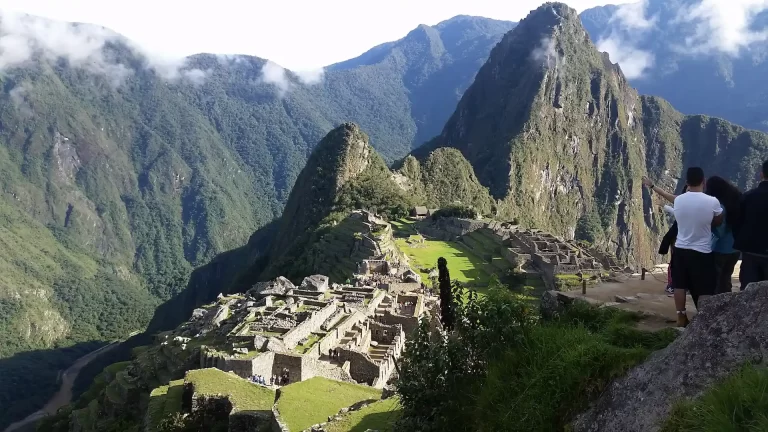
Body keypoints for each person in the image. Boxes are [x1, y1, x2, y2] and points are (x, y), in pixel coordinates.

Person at [668, 168, 723, 324]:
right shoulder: (712, 201)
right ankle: (703, 319)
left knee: (679, 284)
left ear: (687, 183)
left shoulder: (679, 200)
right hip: (702, 251)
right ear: (703, 181)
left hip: (680, 249)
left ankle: (681, 316)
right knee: (705, 287)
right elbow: (719, 219)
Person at [705, 176, 742, 294]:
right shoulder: (737, 201)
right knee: (726, 280)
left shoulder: (719, 208)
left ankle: (714, 304)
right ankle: (726, 303)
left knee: (714, 282)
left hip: (719, 249)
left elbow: (719, 231)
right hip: (735, 249)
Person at [734, 160, 768, 289]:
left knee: (748, 293)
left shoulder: (748, 197)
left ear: (761, 174)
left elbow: (737, 224)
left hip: (751, 252)